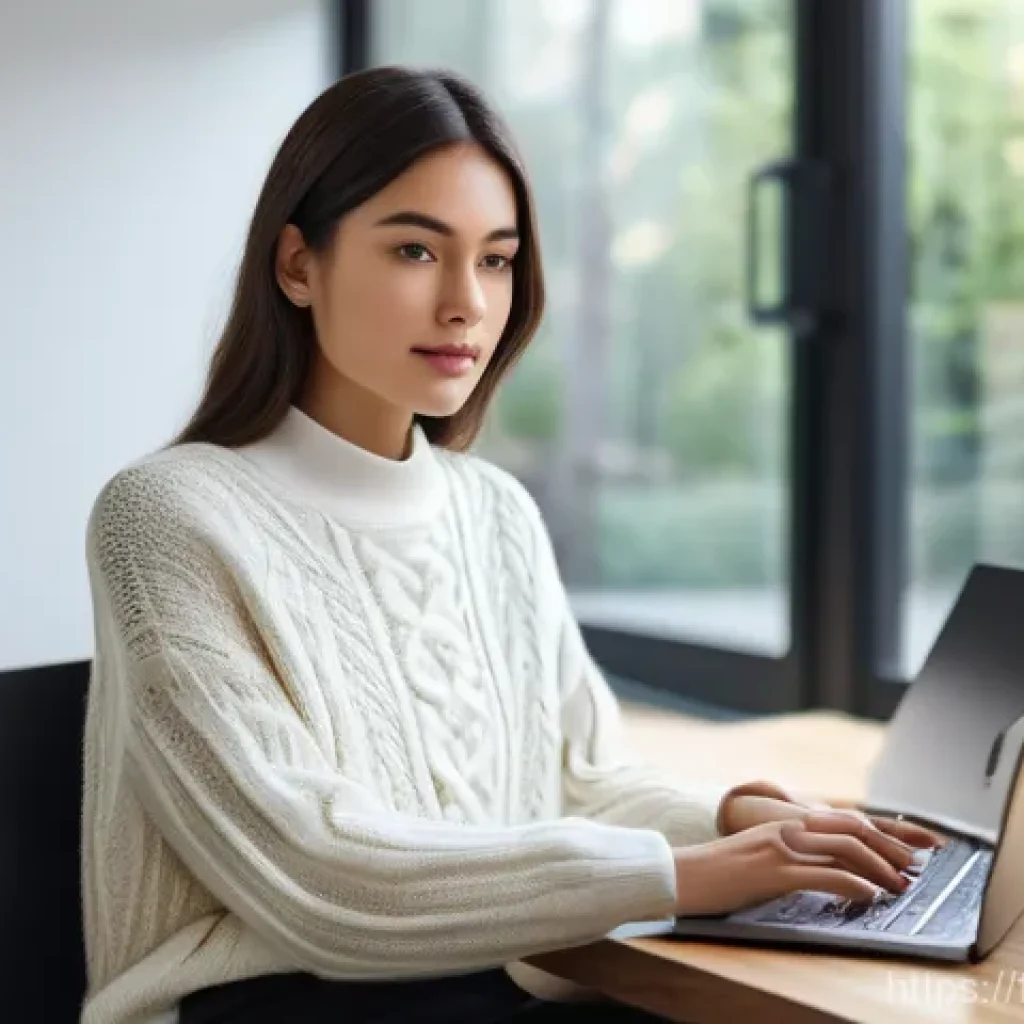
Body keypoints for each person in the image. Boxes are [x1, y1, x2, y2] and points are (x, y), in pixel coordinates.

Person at [79, 65, 941, 1024]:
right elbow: (319, 877)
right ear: (296, 265)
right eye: (416, 250)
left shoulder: (492, 511)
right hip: (264, 1002)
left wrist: (733, 821)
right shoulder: (166, 515)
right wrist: (692, 873)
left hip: (487, 982)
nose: (467, 304)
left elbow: (577, 785)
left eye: (496, 259)